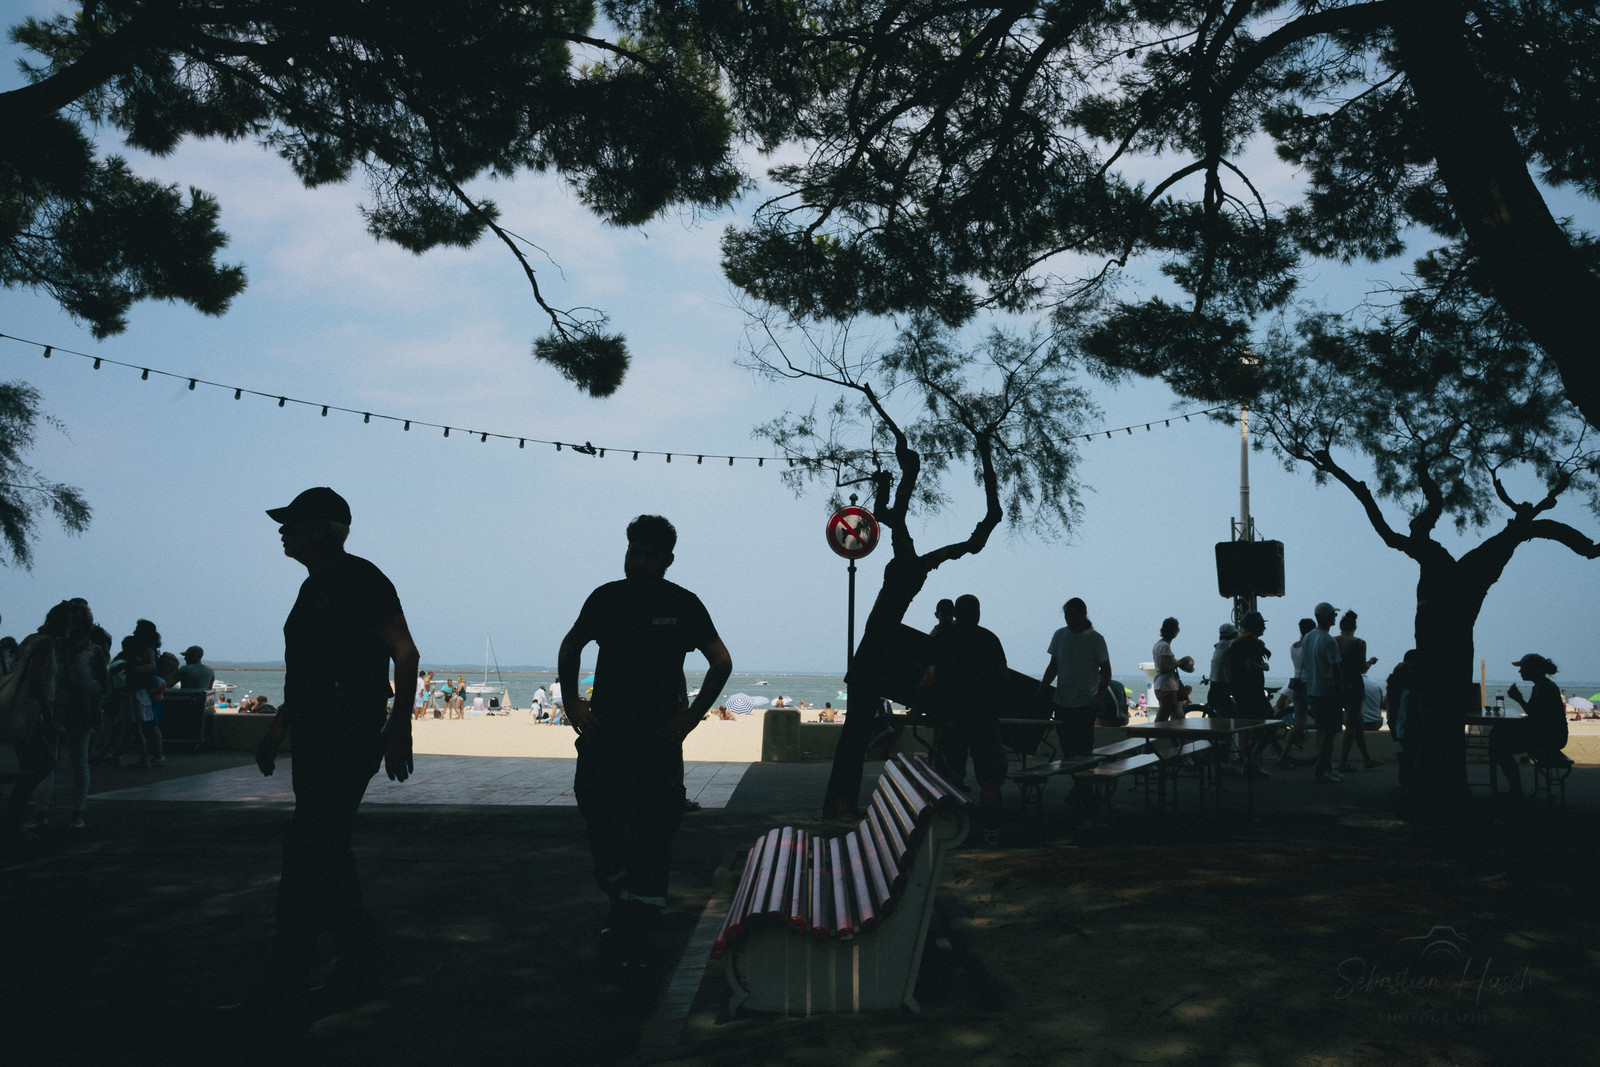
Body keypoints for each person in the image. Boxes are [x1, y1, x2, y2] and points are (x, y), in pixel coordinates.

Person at [253, 486, 419, 1021]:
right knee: (325, 849)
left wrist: (399, 730)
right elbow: (307, 670)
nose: (282, 530)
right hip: (317, 734)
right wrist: (280, 725)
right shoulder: (311, 589)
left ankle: (291, 973)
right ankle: (355, 965)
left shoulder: (362, 580)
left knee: (309, 848)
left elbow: (405, 652)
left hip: (349, 732)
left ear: (323, 529)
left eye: (292, 522)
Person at [558, 515, 732, 971]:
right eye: (634, 551)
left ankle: (636, 933)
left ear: (667, 560)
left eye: (650, 555)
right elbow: (571, 646)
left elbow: (721, 662)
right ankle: (621, 898)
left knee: (654, 832)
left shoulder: (683, 604)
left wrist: (691, 715)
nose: (639, 561)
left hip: (657, 740)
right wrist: (571, 702)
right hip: (605, 734)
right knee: (599, 816)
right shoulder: (606, 597)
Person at [921, 593, 1008, 845]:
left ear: (957, 613)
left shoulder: (943, 638)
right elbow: (1003, 678)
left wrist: (924, 708)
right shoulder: (990, 639)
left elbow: (929, 678)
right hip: (985, 720)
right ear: (978, 613)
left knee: (949, 777)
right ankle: (991, 831)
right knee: (990, 780)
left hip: (952, 720)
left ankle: (951, 832)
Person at [1035, 597, 1111, 760]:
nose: (1069, 619)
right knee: (1067, 745)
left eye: (1072, 615)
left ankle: (1085, 783)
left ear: (1083, 615)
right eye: (1067, 615)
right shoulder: (1060, 635)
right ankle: (1078, 781)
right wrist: (1042, 689)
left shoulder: (1095, 639)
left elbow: (1106, 671)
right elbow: (1053, 667)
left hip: (1086, 702)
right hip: (1062, 701)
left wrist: (1099, 696)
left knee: (1084, 745)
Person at [1493, 653, 1569, 798]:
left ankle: (1516, 791)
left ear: (1533, 669)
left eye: (1523, 668)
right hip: (1552, 736)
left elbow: (1536, 718)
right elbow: (1538, 717)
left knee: (1498, 745)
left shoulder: (1544, 688)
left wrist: (1519, 699)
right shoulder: (1543, 686)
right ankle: (1515, 790)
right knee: (1498, 738)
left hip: (1549, 739)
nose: (1520, 671)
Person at [1225, 610, 1274, 777]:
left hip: (1247, 692)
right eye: (1262, 625)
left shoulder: (1243, 642)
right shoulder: (1245, 643)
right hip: (1251, 693)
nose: (1265, 628)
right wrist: (1262, 666)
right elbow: (1247, 664)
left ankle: (1252, 762)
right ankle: (1252, 761)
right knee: (1268, 726)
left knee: (1255, 728)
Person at [1298, 602, 1343, 783]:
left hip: (1313, 690)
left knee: (1323, 730)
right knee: (1329, 732)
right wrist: (1340, 692)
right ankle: (1322, 770)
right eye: (1333, 615)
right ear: (1327, 617)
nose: (1335, 618)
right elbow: (1336, 669)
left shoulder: (1308, 637)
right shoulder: (1329, 640)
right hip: (1328, 692)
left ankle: (1326, 768)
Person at [1335, 611, 1381, 773]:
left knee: (1357, 722)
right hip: (1354, 686)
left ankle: (1367, 758)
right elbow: (1362, 668)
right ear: (1355, 627)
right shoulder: (1360, 643)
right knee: (1352, 726)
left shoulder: (1334, 641)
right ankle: (1342, 763)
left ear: (1340, 627)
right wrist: (1371, 662)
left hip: (1337, 686)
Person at [1151, 617, 1194, 722]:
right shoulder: (1165, 646)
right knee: (1162, 719)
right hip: (1167, 687)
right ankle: (1156, 736)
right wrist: (1180, 662)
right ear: (1175, 631)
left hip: (1163, 686)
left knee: (1178, 717)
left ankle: (1177, 737)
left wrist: (1179, 662)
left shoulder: (1159, 644)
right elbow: (1164, 668)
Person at [1207, 622, 1237, 715]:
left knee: (1221, 714)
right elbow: (1241, 639)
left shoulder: (1219, 646)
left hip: (1214, 685)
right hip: (1222, 686)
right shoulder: (1227, 644)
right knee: (1227, 715)